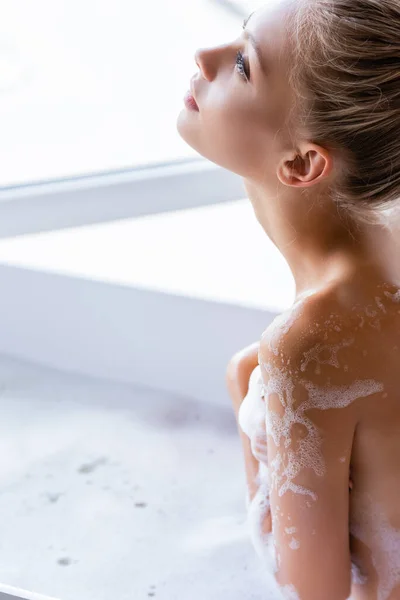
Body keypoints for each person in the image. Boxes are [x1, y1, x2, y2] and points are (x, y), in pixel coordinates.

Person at [176, 0, 400, 598]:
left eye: (245, 65)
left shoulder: (311, 344)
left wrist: (245, 391)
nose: (207, 55)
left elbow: (312, 589)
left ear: (301, 163)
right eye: (240, 35)